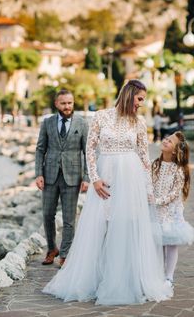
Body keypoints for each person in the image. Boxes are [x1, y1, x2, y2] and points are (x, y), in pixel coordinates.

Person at [43, 79, 172, 305]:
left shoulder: (139, 122)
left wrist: (148, 188)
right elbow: (90, 148)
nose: (142, 104)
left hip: (130, 179)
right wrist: (94, 178)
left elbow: (144, 157)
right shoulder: (101, 116)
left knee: (125, 226)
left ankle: (125, 279)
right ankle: (96, 278)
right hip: (105, 178)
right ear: (129, 94)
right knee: (99, 226)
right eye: (140, 98)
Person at [35, 89, 89, 267]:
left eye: (70, 103)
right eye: (64, 103)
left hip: (72, 177)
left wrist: (87, 177)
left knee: (68, 219)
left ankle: (65, 253)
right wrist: (39, 174)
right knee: (47, 215)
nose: (67, 106)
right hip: (49, 175)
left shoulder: (82, 123)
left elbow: (87, 152)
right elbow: (40, 149)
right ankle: (52, 249)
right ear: (56, 104)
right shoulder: (47, 122)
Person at [152, 131, 194, 289]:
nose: (165, 140)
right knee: (157, 242)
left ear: (175, 151)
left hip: (171, 211)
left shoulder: (179, 170)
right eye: (166, 138)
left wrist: (158, 201)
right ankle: (156, 274)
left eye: (170, 141)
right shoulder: (155, 164)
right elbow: (150, 183)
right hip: (156, 209)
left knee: (171, 243)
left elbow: (174, 194)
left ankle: (169, 277)